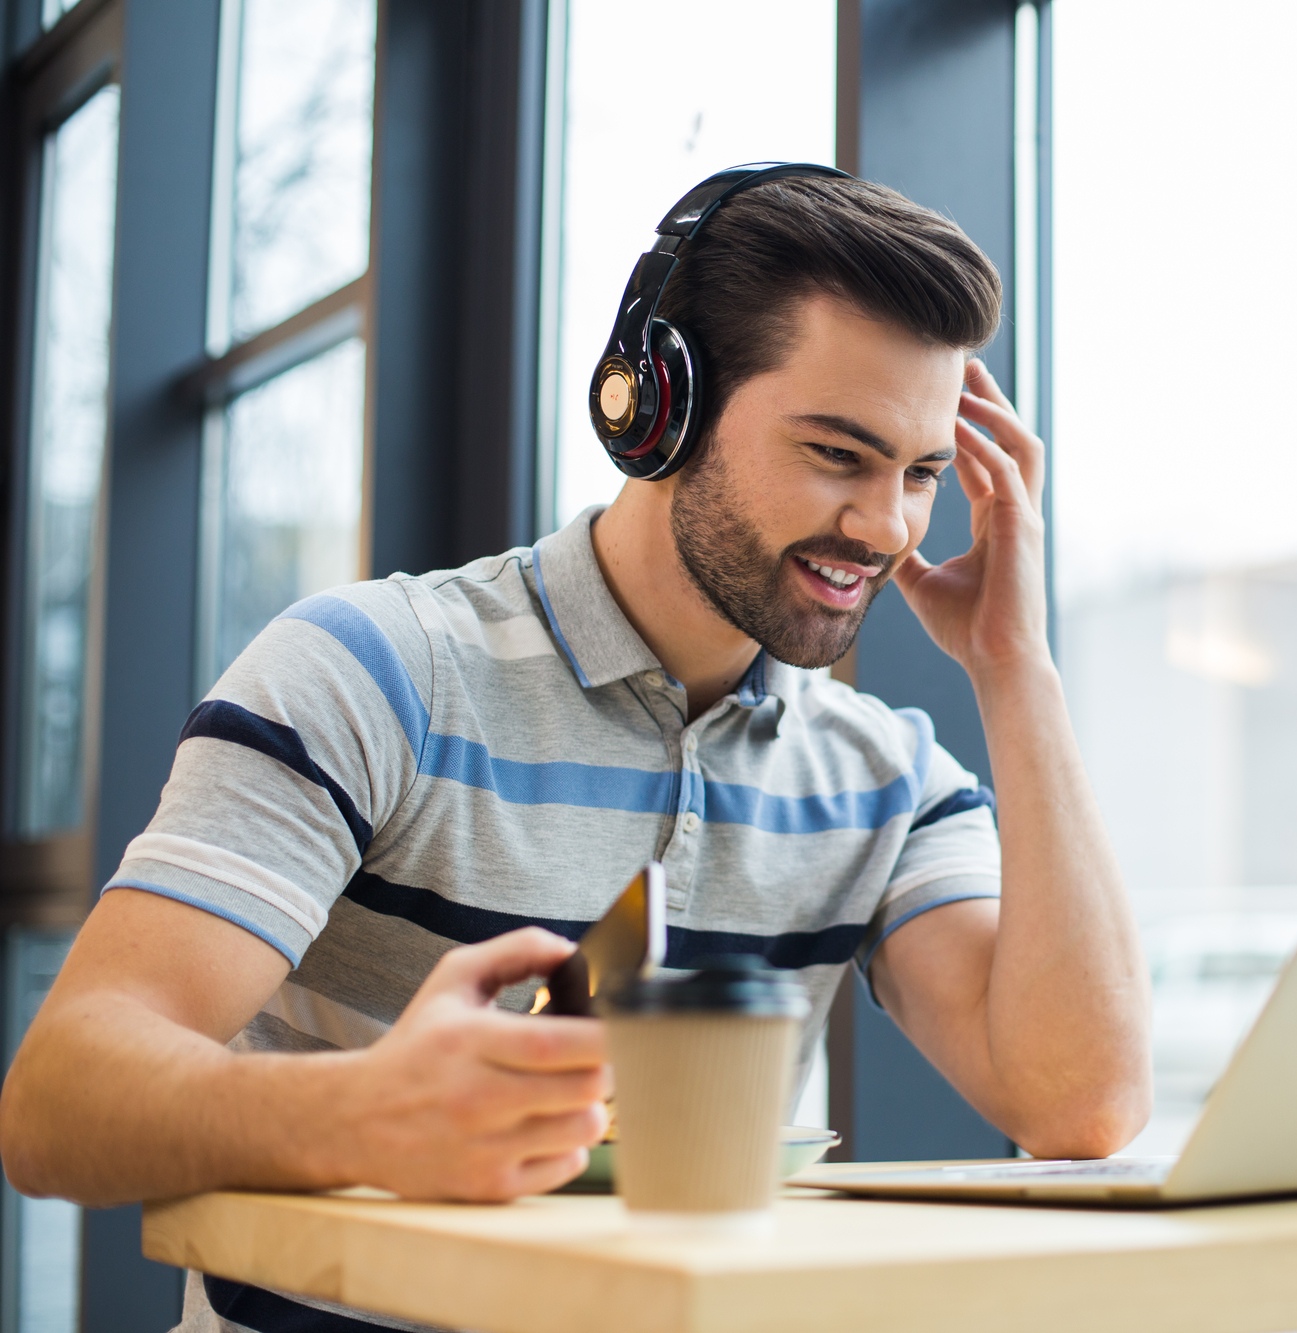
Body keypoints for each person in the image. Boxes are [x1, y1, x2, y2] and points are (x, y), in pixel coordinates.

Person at [0, 175, 1151, 1330]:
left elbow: (1078, 1104)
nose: (889, 529)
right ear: (659, 408)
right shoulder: (374, 671)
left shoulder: (882, 778)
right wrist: (365, 1112)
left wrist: (1015, 668)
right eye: (837, 454)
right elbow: (57, 1103)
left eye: (919, 474)